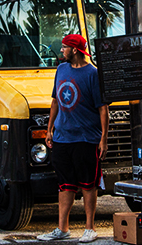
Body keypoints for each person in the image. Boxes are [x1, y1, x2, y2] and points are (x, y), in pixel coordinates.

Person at [38, 34, 109, 243]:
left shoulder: (93, 74)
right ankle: (62, 228)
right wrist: (49, 129)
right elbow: (55, 102)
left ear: (75, 50)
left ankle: (90, 228)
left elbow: (103, 109)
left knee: (88, 184)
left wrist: (103, 139)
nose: (62, 51)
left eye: (64, 47)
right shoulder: (61, 70)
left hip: (86, 138)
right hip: (62, 137)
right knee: (65, 183)